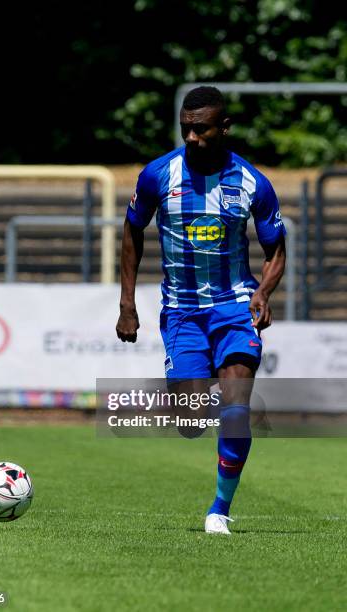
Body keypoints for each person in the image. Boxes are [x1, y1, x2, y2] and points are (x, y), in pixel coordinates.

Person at [116, 86, 286, 535]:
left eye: (201, 128)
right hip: (182, 311)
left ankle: (219, 510)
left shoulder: (252, 183)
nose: (191, 137)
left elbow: (276, 251)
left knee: (235, 407)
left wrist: (263, 292)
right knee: (190, 422)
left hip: (233, 307)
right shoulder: (157, 175)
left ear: (223, 127)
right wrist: (127, 304)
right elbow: (131, 233)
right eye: (186, 129)